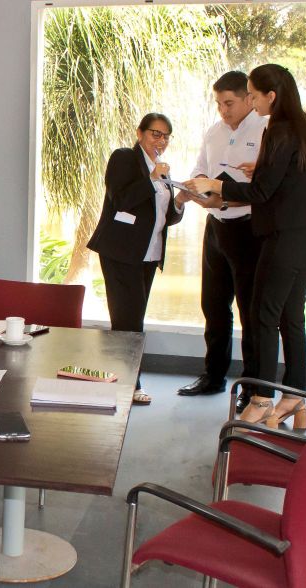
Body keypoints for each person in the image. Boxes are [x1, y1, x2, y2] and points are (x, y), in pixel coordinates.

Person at [186, 64, 306, 427]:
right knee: (291, 318)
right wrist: (261, 169)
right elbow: (293, 179)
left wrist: (217, 186)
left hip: (284, 238)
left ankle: (263, 399)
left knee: (264, 318)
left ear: (271, 96)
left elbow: (263, 192)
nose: (251, 101)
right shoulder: (305, 126)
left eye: (253, 95)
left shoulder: (277, 129)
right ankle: (295, 398)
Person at [176, 71, 266, 413]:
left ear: (249, 99)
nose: (223, 110)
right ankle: (213, 376)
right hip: (215, 227)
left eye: (229, 103)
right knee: (213, 306)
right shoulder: (213, 132)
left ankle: (253, 388)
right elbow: (200, 169)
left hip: (248, 230)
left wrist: (223, 196)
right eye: (218, 103)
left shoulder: (265, 130)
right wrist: (196, 185)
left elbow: (264, 188)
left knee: (250, 312)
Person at [87, 113, 186, 405]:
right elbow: (121, 199)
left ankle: (123, 380)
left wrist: (181, 201)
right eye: (156, 134)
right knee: (126, 320)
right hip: (121, 252)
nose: (161, 141)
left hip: (149, 254)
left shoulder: (162, 169)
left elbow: (163, 216)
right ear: (140, 133)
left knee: (134, 317)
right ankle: (130, 384)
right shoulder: (124, 158)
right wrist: (152, 179)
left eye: (166, 136)